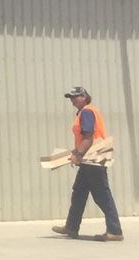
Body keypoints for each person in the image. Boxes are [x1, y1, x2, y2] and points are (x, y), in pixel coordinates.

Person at [52, 85, 124, 242]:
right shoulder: (84, 112)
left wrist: (78, 154)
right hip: (89, 158)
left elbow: (89, 137)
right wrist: (74, 152)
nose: (72, 100)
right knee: (78, 193)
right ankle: (71, 227)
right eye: (70, 97)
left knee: (102, 195)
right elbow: (85, 138)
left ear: (84, 96)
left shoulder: (87, 112)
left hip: (94, 159)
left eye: (75, 96)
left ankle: (115, 230)